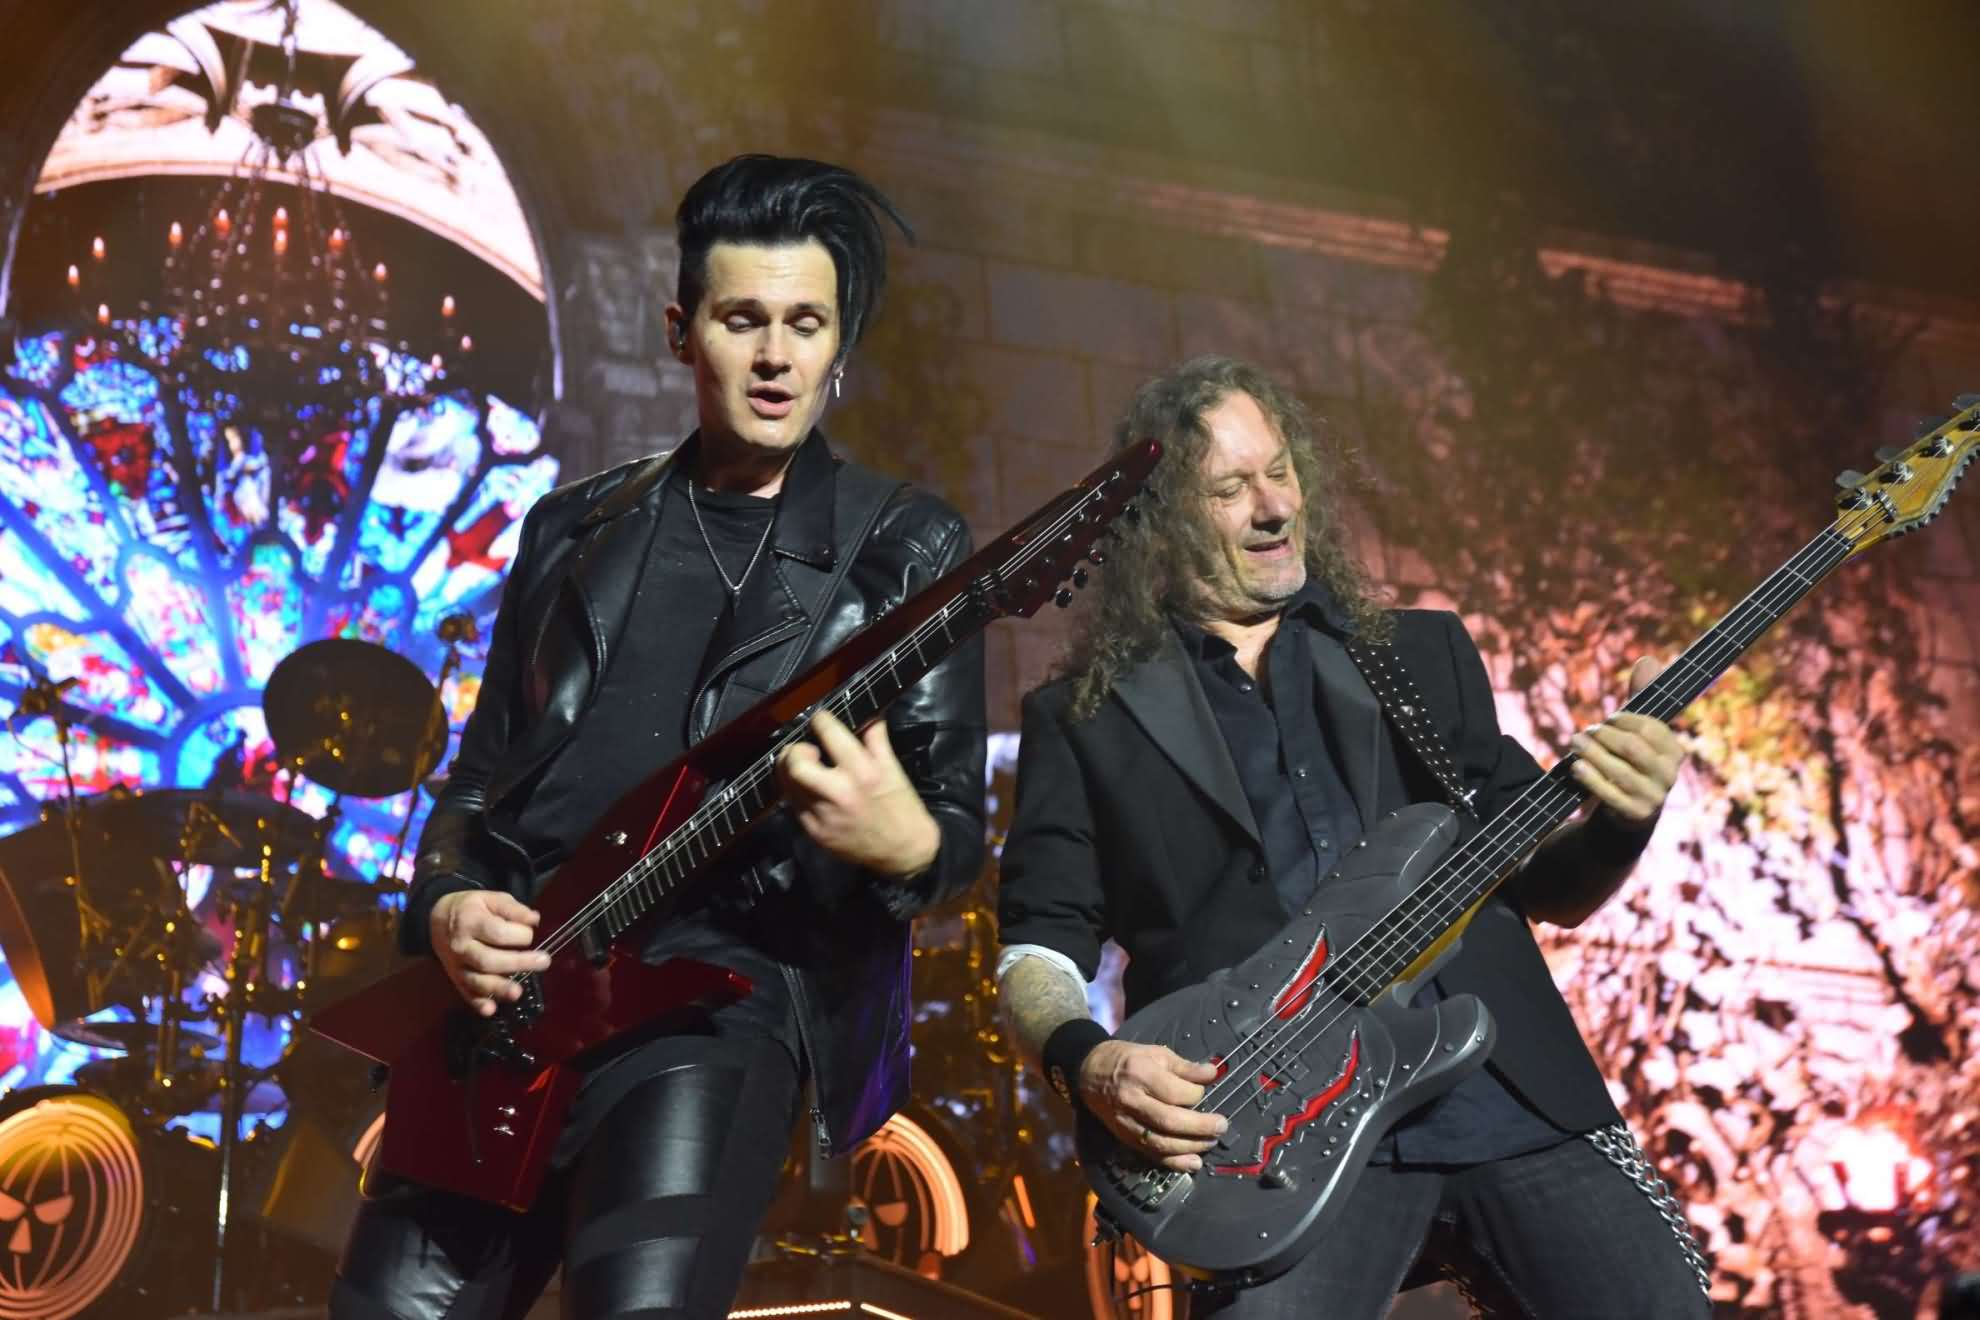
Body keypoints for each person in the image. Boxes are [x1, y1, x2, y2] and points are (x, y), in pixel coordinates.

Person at [332, 155, 987, 1320]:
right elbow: (480, 781)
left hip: (716, 1000)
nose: (776, 356)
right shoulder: (571, 528)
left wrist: (906, 844)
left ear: (839, 345)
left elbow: (953, 833)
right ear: (681, 331)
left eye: (806, 324)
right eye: (743, 320)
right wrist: (444, 906)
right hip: (511, 1003)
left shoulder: (905, 547)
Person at [995, 355, 1710, 1318]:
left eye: (1280, 471)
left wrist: (1625, 820)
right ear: (1160, 521)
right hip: (1269, 1133)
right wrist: (1088, 1062)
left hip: (1504, 1088)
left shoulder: (1419, 654)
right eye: (1229, 489)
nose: (1273, 507)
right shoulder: (1088, 717)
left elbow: (1549, 886)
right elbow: (1039, 947)